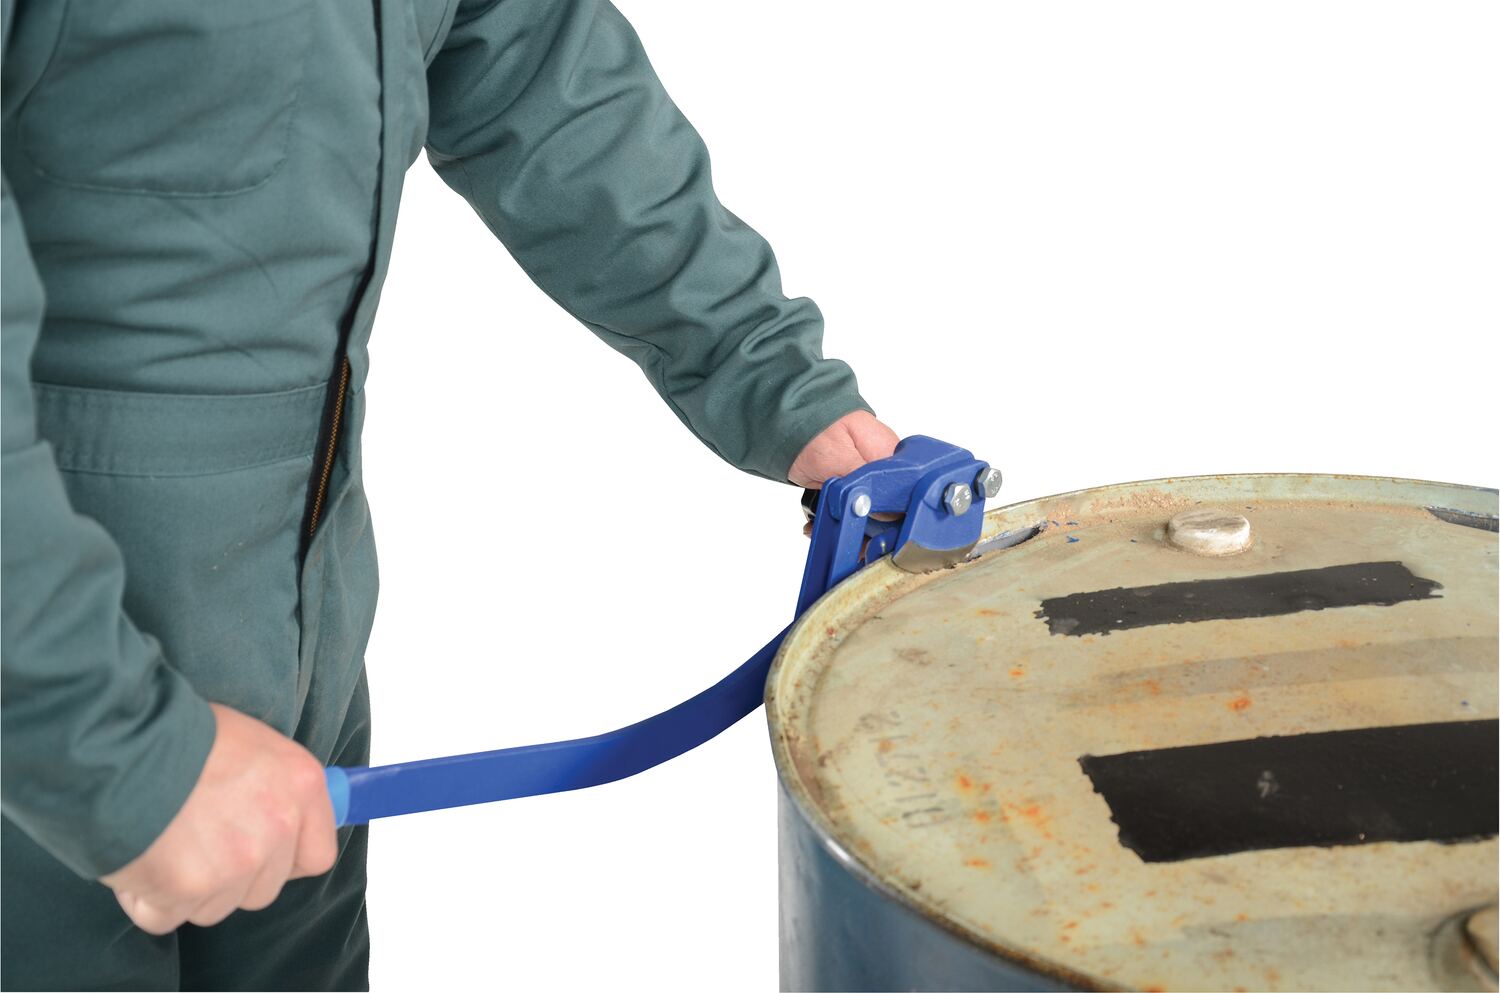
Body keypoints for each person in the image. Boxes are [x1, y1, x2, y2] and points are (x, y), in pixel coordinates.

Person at [0, 0, 898, 988]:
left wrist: (769, 371)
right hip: (44, 703)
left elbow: (537, 64)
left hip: (299, 645)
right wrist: (112, 749)